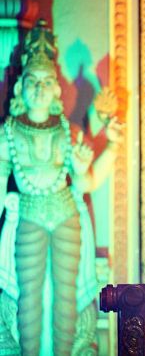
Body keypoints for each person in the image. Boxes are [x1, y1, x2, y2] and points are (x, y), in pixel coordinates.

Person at [0, 21, 122, 355]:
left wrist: (111, 147)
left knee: (66, 299)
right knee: (29, 300)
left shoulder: (68, 132)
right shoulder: (7, 134)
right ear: (20, 87)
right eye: (32, 81)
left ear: (56, 89)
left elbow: (87, 183)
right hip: (28, 217)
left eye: (46, 82)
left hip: (66, 214)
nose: (39, 89)